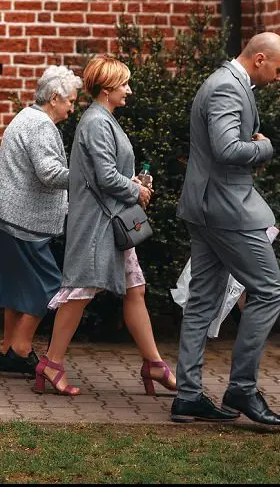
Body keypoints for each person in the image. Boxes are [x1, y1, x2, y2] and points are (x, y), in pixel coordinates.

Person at [171, 32, 280, 426]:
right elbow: (226, 150)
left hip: (207, 208)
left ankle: (188, 396)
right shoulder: (226, 87)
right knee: (270, 291)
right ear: (260, 58)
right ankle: (242, 387)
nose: (279, 77)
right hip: (226, 210)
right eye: (278, 69)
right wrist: (266, 147)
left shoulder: (227, 82)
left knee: (202, 301)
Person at [35, 55, 174, 398]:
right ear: (108, 88)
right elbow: (105, 176)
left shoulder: (104, 119)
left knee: (135, 289)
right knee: (81, 290)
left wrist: (133, 183)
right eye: (124, 84)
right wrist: (137, 189)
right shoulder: (97, 122)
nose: (128, 89)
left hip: (110, 224)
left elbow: (108, 171)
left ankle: (154, 364)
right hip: (98, 225)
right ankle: (51, 364)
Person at [0, 65, 81, 376]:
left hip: (4, 216)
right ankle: (20, 350)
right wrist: (87, 177)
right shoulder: (41, 126)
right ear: (55, 98)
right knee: (49, 285)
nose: (72, 108)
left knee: (14, 287)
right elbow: (50, 173)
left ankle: (7, 351)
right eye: (71, 101)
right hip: (23, 222)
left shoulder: (24, 117)